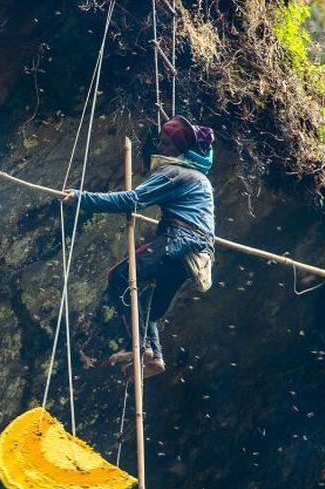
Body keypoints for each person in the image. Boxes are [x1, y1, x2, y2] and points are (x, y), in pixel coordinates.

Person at [61, 116, 215, 378]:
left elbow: (133, 200)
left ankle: (141, 349)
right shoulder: (200, 179)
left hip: (179, 239)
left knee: (119, 276)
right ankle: (154, 357)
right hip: (196, 254)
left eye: (167, 144)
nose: (161, 148)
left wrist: (81, 198)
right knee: (148, 307)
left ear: (180, 151)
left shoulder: (177, 172)